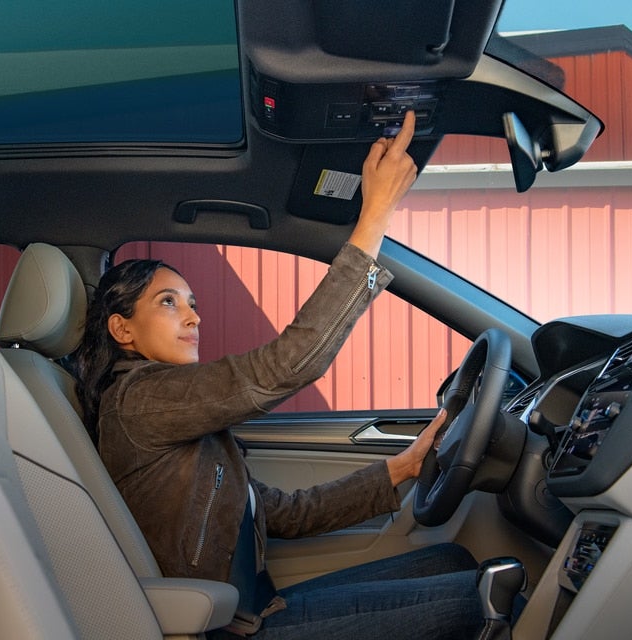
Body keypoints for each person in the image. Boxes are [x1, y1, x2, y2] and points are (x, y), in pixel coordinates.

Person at [71, 112, 483, 639]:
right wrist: (374, 213)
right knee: (482, 602)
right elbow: (288, 365)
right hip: (226, 627)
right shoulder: (140, 400)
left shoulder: (175, 412)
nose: (194, 316)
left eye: (193, 303)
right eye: (169, 302)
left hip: (255, 609)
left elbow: (284, 514)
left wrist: (400, 470)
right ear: (122, 330)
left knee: (447, 561)